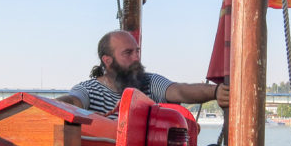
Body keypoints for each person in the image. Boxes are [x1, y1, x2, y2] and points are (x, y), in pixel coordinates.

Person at [55, 30, 229, 118]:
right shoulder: (89, 90)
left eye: (137, 52)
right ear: (107, 60)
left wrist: (215, 92)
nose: (136, 58)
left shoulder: (150, 83)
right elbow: (72, 101)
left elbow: (179, 90)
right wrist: (41, 105)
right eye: (128, 53)